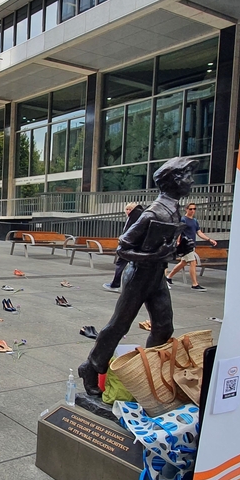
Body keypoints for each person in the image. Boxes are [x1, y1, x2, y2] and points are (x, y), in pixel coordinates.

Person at [79, 157, 197, 396]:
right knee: (119, 325)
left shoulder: (174, 210)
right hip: (139, 276)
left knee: (164, 326)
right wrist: (155, 255)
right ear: (174, 180)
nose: (191, 180)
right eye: (186, 175)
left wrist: (179, 248)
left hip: (156, 276)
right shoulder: (152, 213)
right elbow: (122, 249)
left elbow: (162, 245)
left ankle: (148, 371)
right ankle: (90, 367)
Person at [165, 202, 217, 291]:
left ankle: (169, 277)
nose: (192, 211)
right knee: (193, 262)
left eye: (194, 209)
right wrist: (177, 241)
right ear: (186, 209)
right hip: (185, 245)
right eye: (190, 209)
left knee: (183, 262)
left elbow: (199, 232)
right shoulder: (183, 220)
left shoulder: (194, 221)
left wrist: (209, 239)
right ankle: (194, 284)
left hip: (191, 244)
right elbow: (179, 231)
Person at [103, 202, 144, 292]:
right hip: (131, 246)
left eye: (130, 209)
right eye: (127, 209)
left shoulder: (133, 219)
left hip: (128, 246)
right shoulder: (133, 218)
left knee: (121, 264)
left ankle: (115, 285)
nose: (128, 211)